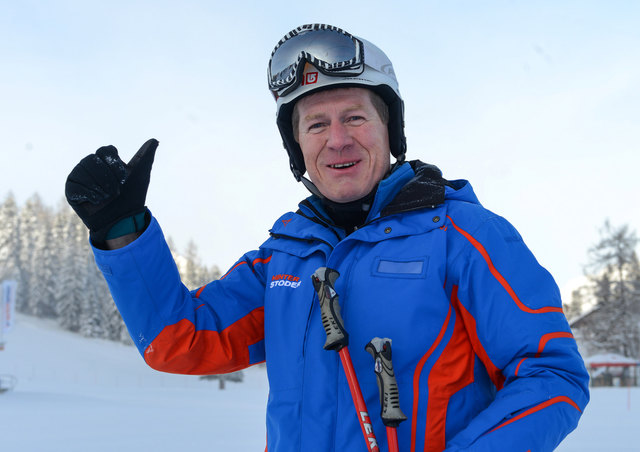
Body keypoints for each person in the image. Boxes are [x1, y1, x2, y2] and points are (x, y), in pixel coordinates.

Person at [65, 23, 589, 451]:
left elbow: (551, 375)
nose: (337, 139)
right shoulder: (281, 261)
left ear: (391, 133)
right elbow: (177, 340)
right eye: (316, 125)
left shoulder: (464, 236)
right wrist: (121, 231)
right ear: (298, 149)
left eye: (355, 117)